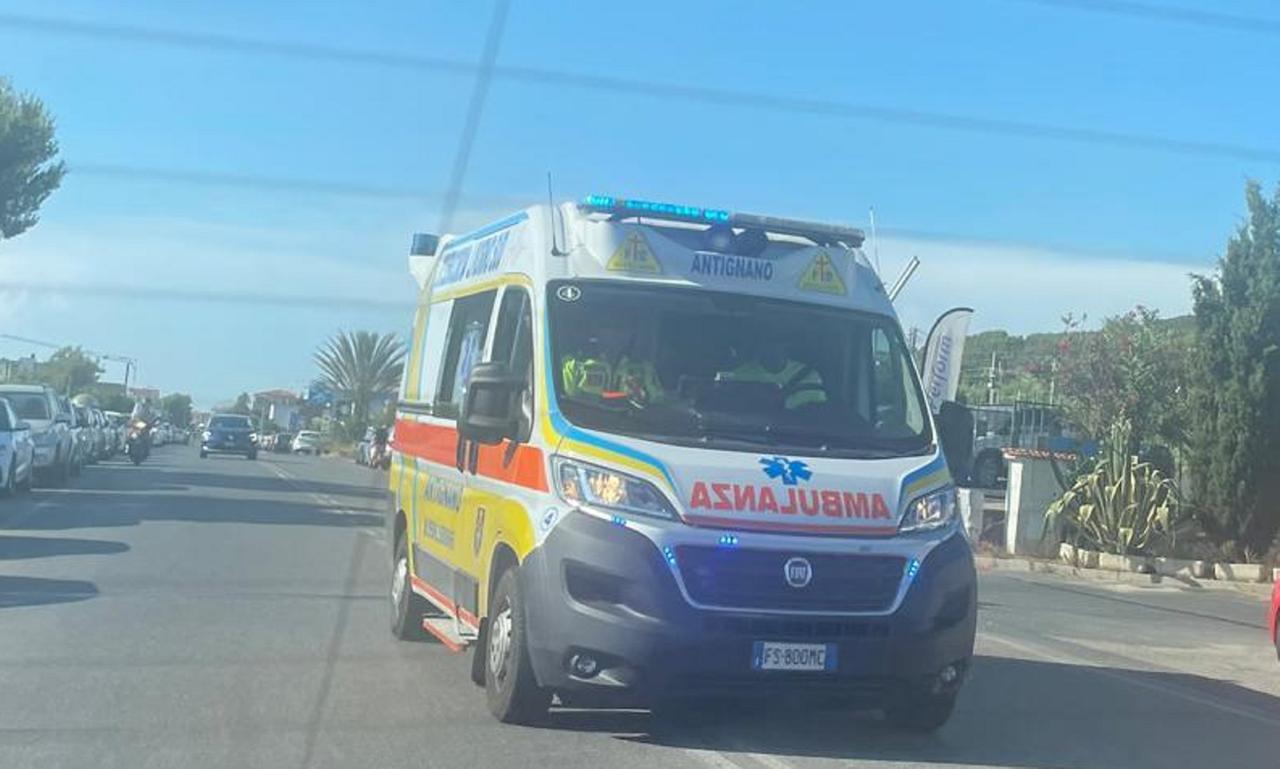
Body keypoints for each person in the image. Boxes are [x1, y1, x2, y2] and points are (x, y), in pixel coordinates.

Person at [561, 321, 665, 404]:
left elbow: (658, 404)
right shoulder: (574, 363)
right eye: (608, 326)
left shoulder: (644, 369)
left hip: (630, 423)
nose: (616, 333)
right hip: (583, 422)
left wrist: (641, 395)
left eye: (622, 328)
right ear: (596, 329)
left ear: (631, 333)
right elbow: (566, 403)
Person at [720, 335, 827, 410]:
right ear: (760, 347)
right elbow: (719, 380)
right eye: (768, 343)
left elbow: (816, 412)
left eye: (778, 342)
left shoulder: (810, 376)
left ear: (786, 347)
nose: (773, 348)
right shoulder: (738, 373)